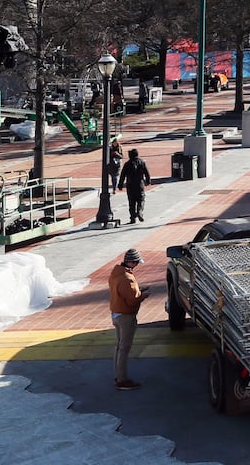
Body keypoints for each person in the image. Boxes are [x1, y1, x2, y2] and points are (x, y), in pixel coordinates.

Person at [108, 248, 145, 390]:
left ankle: (118, 375)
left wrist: (137, 291)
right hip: (125, 316)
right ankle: (122, 380)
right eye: (136, 263)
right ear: (132, 262)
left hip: (116, 313)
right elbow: (132, 301)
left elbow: (122, 292)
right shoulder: (127, 278)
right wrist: (142, 296)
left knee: (119, 346)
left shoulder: (115, 273)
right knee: (124, 348)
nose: (137, 265)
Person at [117, 148, 152, 223]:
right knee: (141, 199)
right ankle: (139, 211)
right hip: (140, 184)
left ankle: (132, 218)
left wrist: (120, 185)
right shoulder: (141, 162)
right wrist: (148, 181)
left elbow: (122, 175)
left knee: (131, 202)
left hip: (130, 185)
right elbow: (146, 173)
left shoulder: (127, 164)